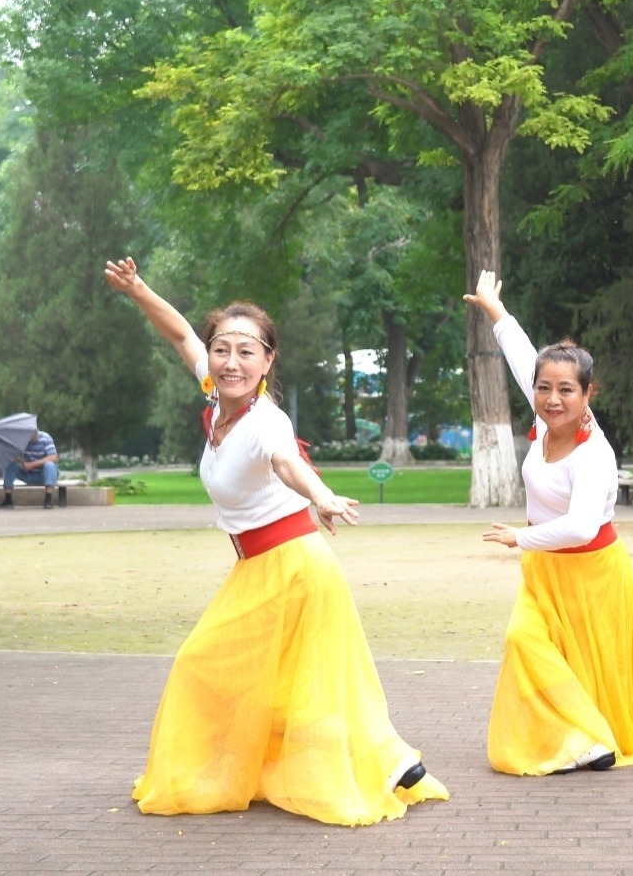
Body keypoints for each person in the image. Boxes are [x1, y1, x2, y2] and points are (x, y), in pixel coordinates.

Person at [103, 256, 447, 826]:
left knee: (205, 665)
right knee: (284, 684)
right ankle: (390, 759)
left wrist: (323, 495)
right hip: (261, 567)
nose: (231, 361)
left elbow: (287, 463)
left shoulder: (267, 420)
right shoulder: (215, 396)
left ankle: (381, 758)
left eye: (246, 352)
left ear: (268, 361)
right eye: (223, 349)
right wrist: (138, 289)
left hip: (292, 565)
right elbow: (180, 332)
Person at [463, 269, 633, 776]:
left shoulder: (593, 454)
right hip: (545, 574)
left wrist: (518, 537)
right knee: (524, 641)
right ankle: (581, 736)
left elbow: (578, 528)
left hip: (592, 572)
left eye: (566, 390)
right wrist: (495, 310)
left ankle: (587, 738)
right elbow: (523, 356)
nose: (553, 398)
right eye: (544, 388)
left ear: (587, 394)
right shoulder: (544, 417)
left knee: (587, 664)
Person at [0, 430, 59, 509]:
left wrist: (31, 465)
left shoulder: (46, 438)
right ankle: (8, 499)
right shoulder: (21, 440)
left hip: (43, 475)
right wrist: (17, 460)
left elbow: (53, 457)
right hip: (27, 473)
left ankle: (48, 499)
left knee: (50, 465)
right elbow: (14, 457)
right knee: (11, 466)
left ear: (35, 432)